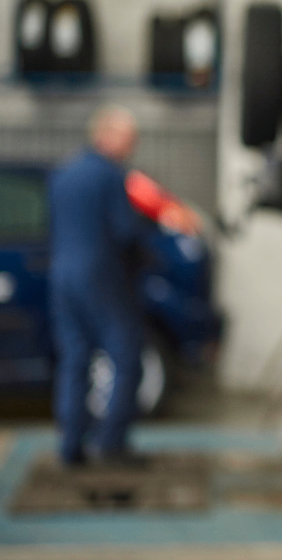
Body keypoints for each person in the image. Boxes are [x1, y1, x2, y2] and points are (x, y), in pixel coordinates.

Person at [49, 105, 150, 466]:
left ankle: (71, 445)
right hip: (101, 276)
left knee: (74, 358)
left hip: (62, 275)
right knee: (126, 356)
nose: (133, 146)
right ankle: (111, 443)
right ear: (107, 135)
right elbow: (124, 231)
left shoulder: (62, 174)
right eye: (129, 138)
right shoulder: (110, 176)